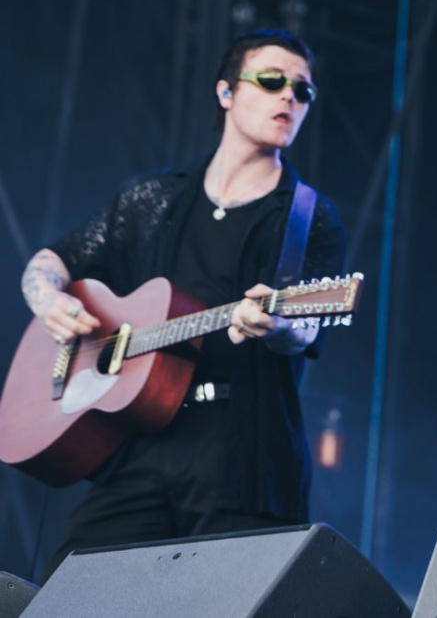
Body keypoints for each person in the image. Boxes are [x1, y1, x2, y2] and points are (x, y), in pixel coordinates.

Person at [20, 28, 346, 576]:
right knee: (71, 593)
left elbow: (308, 331)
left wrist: (278, 325)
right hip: (138, 442)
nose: (289, 96)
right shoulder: (152, 196)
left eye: (303, 90)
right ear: (226, 92)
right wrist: (48, 299)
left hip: (242, 459)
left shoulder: (308, 218)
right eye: (272, 80)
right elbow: (54, 260)